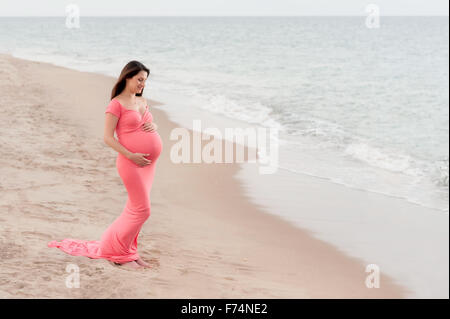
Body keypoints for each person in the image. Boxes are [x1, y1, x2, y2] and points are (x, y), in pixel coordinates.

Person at [48, 61, 163, 269]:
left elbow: (148, 124)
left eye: (144, 81)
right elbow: (108, 138)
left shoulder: (142, 101)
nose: (142, 84)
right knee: (142, 210)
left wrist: (153, 125)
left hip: (148, 166)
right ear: (127, 77)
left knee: (133, 208)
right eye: (139, 80)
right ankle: (115, 252)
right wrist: (131, 155)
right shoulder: (116, 105)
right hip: (130, 163)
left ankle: (129, 252)